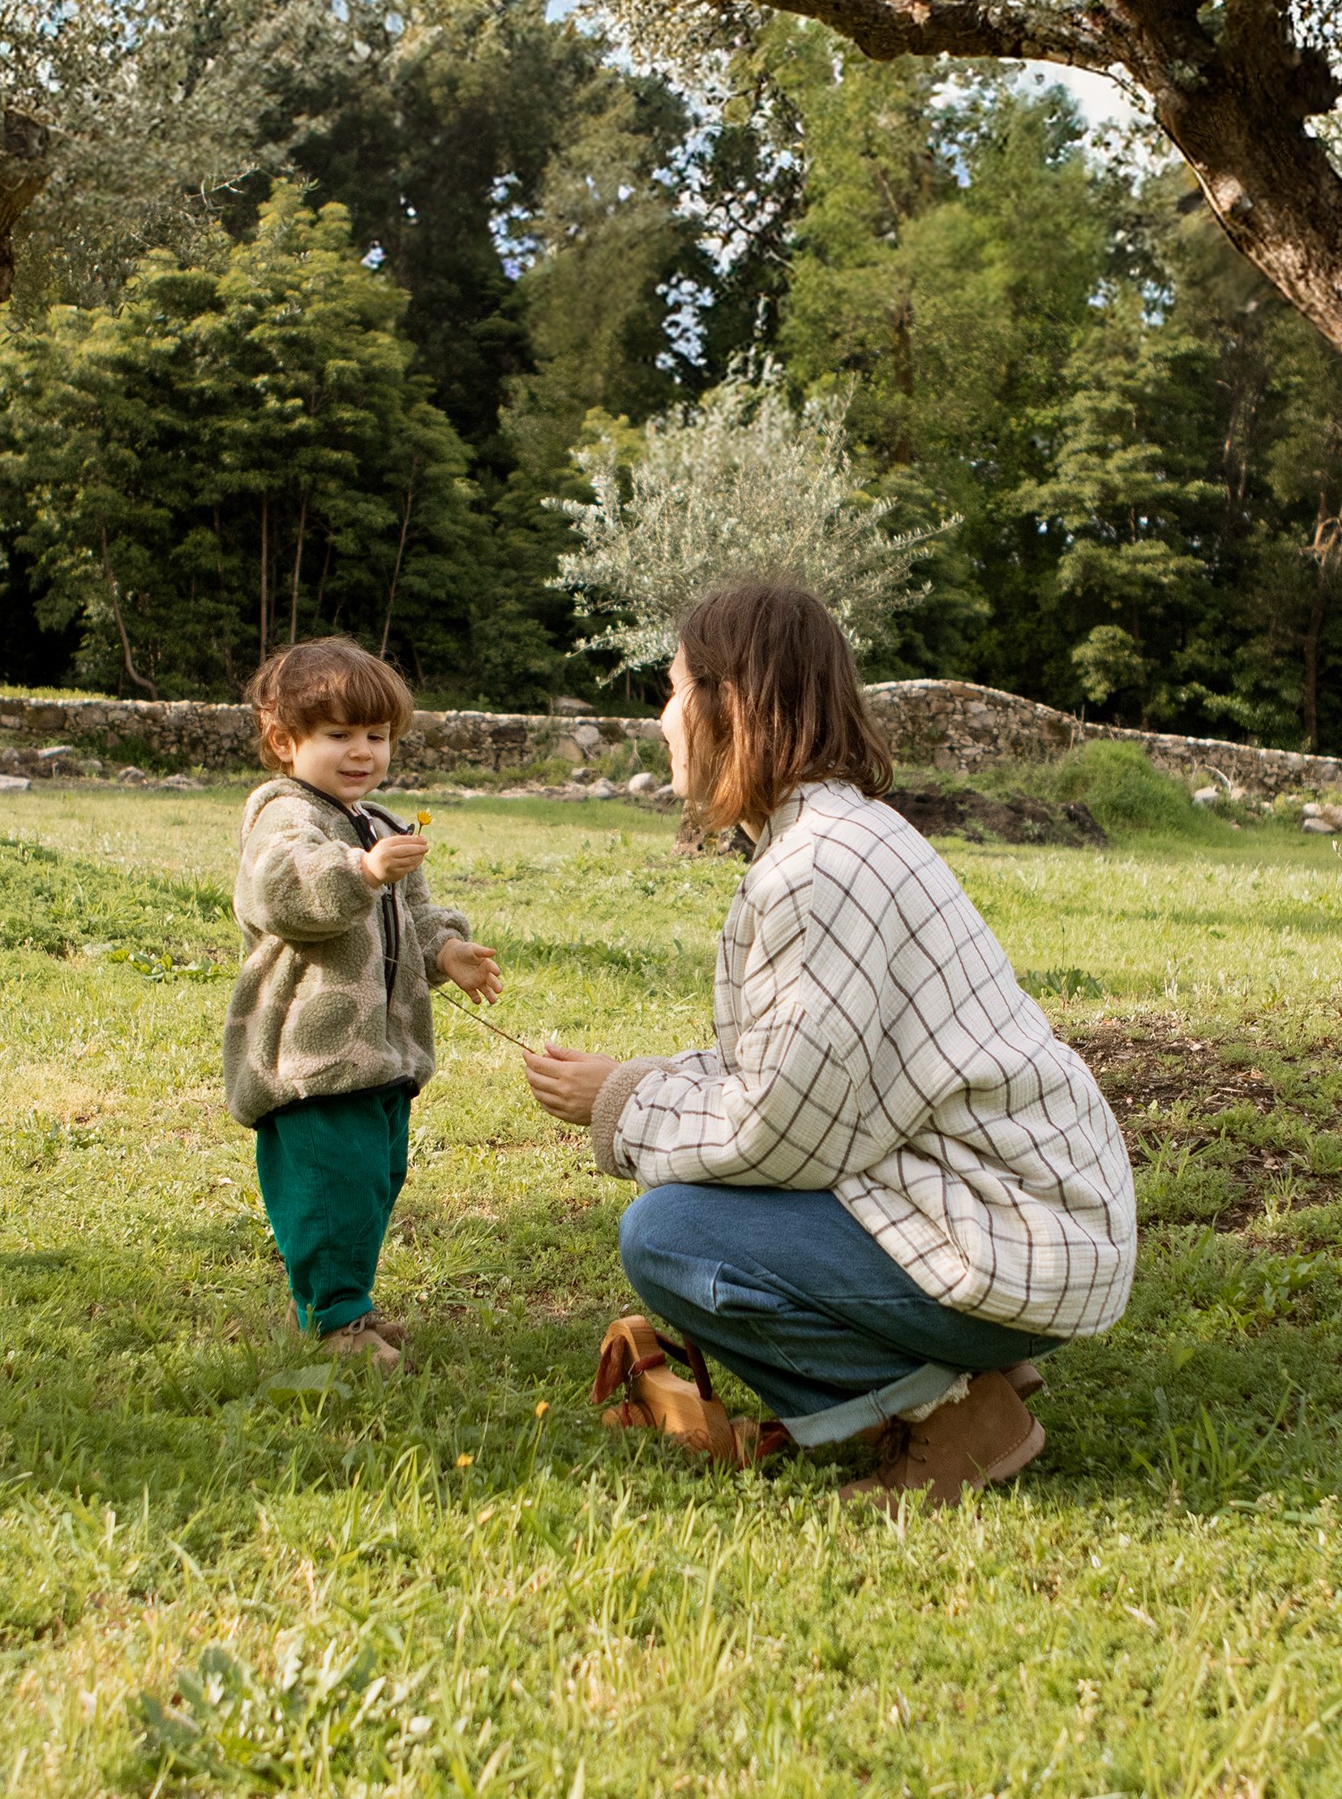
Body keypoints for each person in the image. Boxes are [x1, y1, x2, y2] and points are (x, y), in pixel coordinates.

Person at [524, 584, 1136, 1506]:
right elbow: (796, 1077)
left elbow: (786, 1137)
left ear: (729, 704)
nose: (659, 721)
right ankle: (970, 1370)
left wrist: (620, 1108)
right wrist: (644, 1078)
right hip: (1028, 1221)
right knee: (692, 1208)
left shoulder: (819, 868)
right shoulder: (835, 835)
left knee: (672, 1236)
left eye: (672, 690)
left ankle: (952, 1418)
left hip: (1019, 1239)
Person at [224, 637, 502, 1372]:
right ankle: (332, 1320)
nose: (362, 752)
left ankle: (351, 1299)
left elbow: (414, 911)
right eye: (339, 734)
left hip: (379, 1051)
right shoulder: (283, 818)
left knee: (374, 1178)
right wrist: (363, 870)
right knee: (327, 1182)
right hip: (311, 1051)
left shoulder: (377, 819)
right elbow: (287, 891)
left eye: (376, 736)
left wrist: (448, 952)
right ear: (285, 742)